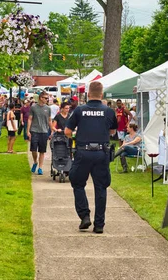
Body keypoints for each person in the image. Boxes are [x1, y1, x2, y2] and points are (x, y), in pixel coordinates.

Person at [65, 81, 117, 234]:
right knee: (101, 187)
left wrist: (78, 135)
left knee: (78, 183)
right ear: (101, 95)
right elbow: (113, 132)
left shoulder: (80, 110)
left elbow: (68, 131)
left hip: (83, 152)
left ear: (88, 94)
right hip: (101, 153)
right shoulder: (108, 111)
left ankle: (84, 215)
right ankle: (99, 224)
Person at [27, 91, 51, 175]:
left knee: (42, 151)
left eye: (47, 98)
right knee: (33, 149)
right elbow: (30, 119)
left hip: (44, 131)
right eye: (45, 98)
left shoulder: (48, 108)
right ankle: (35, 162)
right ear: (41, 98)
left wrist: (52, 130)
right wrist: (28, 131)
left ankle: (40, 168)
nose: (47, 100)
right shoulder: (33, 107)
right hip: (34, 131)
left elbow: (49, 120)